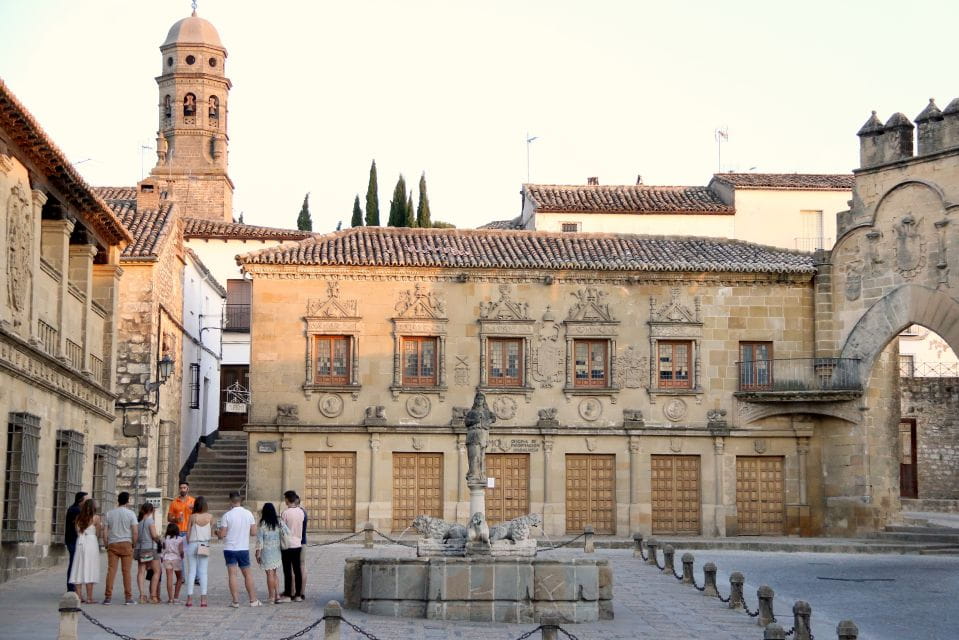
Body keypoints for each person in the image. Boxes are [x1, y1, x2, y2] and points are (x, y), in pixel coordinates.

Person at [217, 491, 260, 607]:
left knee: (232, 575)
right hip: (243, 548)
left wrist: (217, 532)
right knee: (247, 574)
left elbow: (222, 534)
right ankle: (253, 600)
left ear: (230, 501)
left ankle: (235, 601)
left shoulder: (227, 515)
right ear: (240, 501)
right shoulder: (248, 514)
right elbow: (254, 532)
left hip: (230, 548)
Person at [101, 491, 139, 605]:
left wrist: (106, 543)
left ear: (118, 500)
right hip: (126, 542)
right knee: (126, 572)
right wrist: (134, 543)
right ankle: (128, 597)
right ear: (128, 501)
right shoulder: (131, 514)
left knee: (111, 571)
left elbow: (105, 531)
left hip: (113, 543)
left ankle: (108, 597)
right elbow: (135, 532)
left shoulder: (109, 513)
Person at [255, 502, 289, 604]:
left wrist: (257, 553)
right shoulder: (278, 521)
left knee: (269, 574)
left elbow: (260, 541)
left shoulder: (262, 524)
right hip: (277, 550)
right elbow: (287, 532)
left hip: (266, 551)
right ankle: (277, 595)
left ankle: (271, 597)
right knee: (274, 573)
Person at [184, 495, 214, 607]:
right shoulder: (210, 517)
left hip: (193, 543)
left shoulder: (192, 517)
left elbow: (187, 533)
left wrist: (189, 543)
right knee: (203, 572)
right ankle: (203, 599)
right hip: (204, 544)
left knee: (192, 571)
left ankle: (189, 598)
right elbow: (210, 532)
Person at [70, 499, 100, 604]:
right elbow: (98, 532)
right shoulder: (96, 518)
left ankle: (78, 596)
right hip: (91, 542)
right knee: (90, 568)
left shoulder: (78, 518)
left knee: (78, 568)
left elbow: (76, 530)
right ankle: (89, 598)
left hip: (80, 543)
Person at [278, 490, 305, 602]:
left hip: (287, 544)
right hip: (298, 543)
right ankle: (298, 594)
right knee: (297, 570)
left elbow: (282, 528)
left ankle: (288, 594)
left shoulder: (285, 513)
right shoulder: (301, 512)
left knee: (287, 570)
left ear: (288, 500)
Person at [135, 503, 160, 604]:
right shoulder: (150, 521)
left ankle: (142, 595)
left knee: (141, 571)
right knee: (156, 571)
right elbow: (154, 535)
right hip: (150, 548)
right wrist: (159, 540)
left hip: (140, 548)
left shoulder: (139, 522)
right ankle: (153, 595)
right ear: (150, 511)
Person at [65, 491, 88, 592]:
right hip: (73, 540)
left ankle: (72, 587)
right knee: (74, 563)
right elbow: (78, 527)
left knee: (74, 563)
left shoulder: (76, 509)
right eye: (86, 500)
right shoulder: (76, 510)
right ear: (80, 500)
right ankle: (71, 587)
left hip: (73, 540)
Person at [161, 523, 185, 603]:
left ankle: (170, 598)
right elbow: (181, 551)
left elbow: (163, 549)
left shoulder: (165, 538)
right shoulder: (180, 539)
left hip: (167, 559)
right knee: (179, 578)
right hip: (176, 559)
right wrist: (182, 556)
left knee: (169, 579)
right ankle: (176, 597)